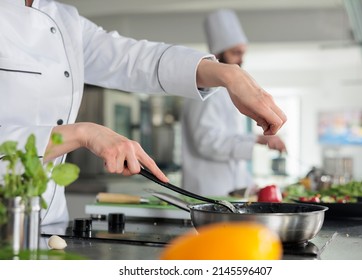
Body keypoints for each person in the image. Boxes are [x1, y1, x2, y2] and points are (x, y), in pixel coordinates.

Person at [0, 1, 286, 225]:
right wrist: (82, 133)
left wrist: (227, 75)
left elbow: (134, 59)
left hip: (48, 223)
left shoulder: (64, 20)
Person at [181, 9, 287, 196]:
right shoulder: (204, 93)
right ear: (219, 53)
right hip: (207, 190)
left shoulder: (223, 92)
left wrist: (249, 184)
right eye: (236, 53)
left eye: (243, 53)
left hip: (227, 190)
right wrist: (257, 139)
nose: (241, 59)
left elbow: (229, 140)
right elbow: (207, 143)